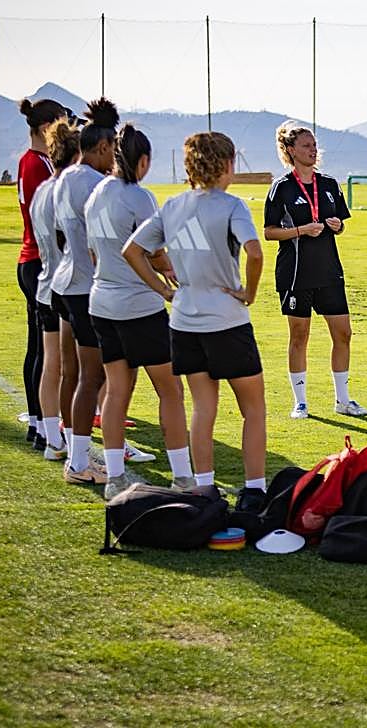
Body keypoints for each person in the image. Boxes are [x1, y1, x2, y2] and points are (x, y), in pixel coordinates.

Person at [125, 131, 269, 513]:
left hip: (185, 322)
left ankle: (204, 490)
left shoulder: (172, 206)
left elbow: (132, 251)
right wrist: (249, 292)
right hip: (227, 319)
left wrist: (165, 291)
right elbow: (255, 253)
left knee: (204, 408)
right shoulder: (233, 205)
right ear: (227, 165)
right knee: (253, 408)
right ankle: (254, 490)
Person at [86, 123, 195, 499]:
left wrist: (162, 268)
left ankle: (115, 477)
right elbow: (145, 248)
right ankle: (182, 476)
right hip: (138, 308)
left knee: (117, 391)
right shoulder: (140, 197)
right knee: (171, 390)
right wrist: (167, 286)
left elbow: (96, 252)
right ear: (143, 160)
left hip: (101, 303)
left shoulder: (96, 192)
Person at [263, 121, 367, 419]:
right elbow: (270, 232)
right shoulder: (281, 188)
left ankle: (343, 400)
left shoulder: (329, 184)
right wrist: (299, 230)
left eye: (314, 145)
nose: (312, 150)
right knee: (299, 336)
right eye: (306, 145)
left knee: (343, 333)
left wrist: (337, 226)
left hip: (329, 271)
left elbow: (340, 223)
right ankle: (300, 402)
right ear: (290, 150)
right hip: (295, 273)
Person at [51, 98, 119, 486]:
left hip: (66, 281)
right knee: (94, 378)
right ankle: (79, 462)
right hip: (85, 288)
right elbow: (105, 241)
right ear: (104, 147)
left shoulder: (64, 177)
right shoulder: (94, 182)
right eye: (113, 152)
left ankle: (77, 452)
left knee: (79, 374)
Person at [16, 97, 68, 450]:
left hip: (37, 259)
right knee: (43, 350)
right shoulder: (35, 165)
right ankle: (39, 422)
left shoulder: (39, 162)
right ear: (47, 126)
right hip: (38, 261)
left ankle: (40, 421)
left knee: (41, 347)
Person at [28, 115, 79, 462]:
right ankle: (76, 444)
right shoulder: (65, 190)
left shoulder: (43, 189)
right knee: (79, 368)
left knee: (51, 363)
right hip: (67, 285)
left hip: (46, 283)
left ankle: (52, 438)